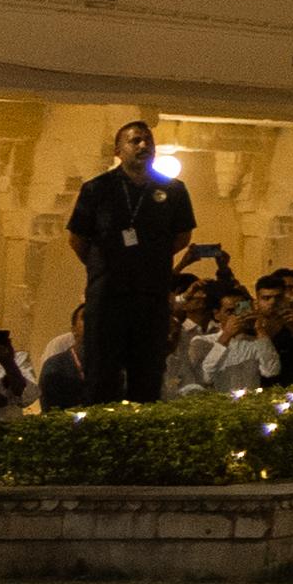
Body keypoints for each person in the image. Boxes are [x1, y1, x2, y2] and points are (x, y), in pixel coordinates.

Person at [65, 120, 196, 402]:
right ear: (118, 149)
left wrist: (149, 261)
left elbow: (182, 237)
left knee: (147, 374)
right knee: (101, 374)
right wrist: (106, 266)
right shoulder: (97, 189)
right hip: (108, 295)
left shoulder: (173, 190)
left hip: (151, 294)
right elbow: (78, 239)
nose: (143, 146)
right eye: (134, 141)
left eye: (148, 140)